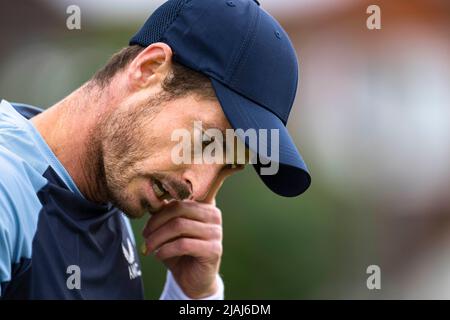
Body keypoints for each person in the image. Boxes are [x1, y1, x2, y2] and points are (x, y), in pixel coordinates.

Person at [0, 0, 310, 299]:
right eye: (205, 142)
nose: (199, 191)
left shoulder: (109, 200)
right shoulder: (7, 191)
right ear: (148, 69)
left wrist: (193, 294)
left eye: (227, 167)